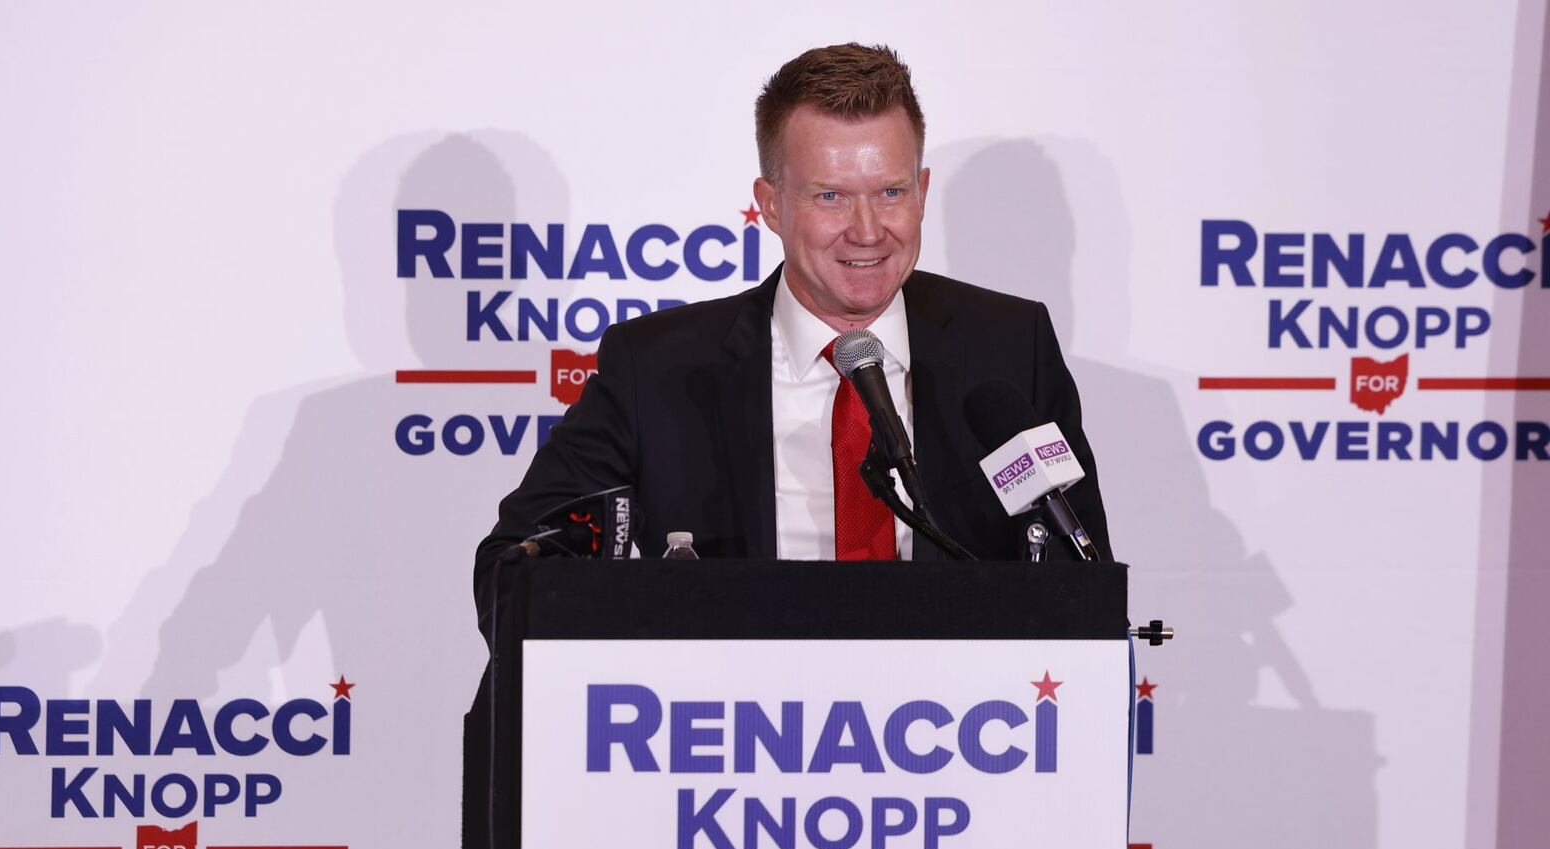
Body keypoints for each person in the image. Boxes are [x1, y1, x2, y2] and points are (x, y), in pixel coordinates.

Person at [474, 42, 1110, 583]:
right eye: (830, 196)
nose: (867, 231)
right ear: (771, 205)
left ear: (921, 192)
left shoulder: (1007, 349)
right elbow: (517, 567)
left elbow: (1083, 575)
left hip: (960, 724)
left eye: (890, 192)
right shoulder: (658, 368)